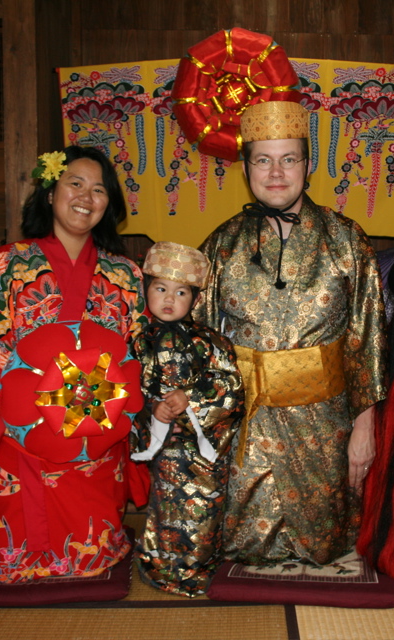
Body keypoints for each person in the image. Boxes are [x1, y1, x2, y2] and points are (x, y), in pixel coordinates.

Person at [0, 145, 148, 583]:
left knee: (91, 533)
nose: (86, 197)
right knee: (15, 514)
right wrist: (1, 417)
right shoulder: (3, 265)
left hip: (93, 425)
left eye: (99, 190)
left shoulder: (126, 274)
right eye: (75, 184)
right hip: (20, 423)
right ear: (50, 193)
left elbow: (135, 354)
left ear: (109, 205)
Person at [193, 100, 388, 565]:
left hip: (325, 427)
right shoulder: (223, 242)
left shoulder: (346, 239)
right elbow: (195, 339)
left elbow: (369, 338)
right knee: (241, 549)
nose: (276, 172)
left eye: (288, 159)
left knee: (329, 545)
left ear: (307, 165)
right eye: (262, 159)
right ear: (246, 169)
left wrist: (366, 426)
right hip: (247, 423)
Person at [129, 241, 244, 596]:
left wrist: (189, 398)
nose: (168, 299)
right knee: (163, 508)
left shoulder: (209, 343)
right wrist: (152, 409)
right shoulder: (138, 342)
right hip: (163, 448)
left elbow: (231, 386)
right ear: (145, 291)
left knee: (202, 511)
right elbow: (128, 388)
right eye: (160, 288)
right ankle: (161, 567)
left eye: (180, 292)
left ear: (195, 300)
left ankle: (196, 571)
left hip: (201, 451)